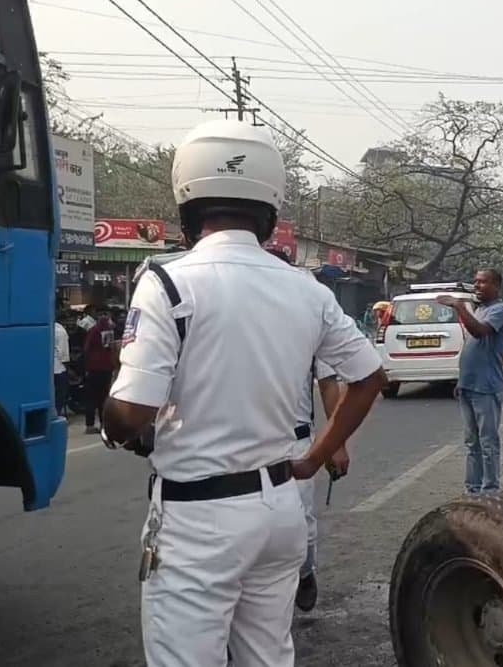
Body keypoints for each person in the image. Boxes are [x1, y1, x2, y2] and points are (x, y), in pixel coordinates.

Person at [99, 119, 385, 667]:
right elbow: (369, 377)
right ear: (269, 212)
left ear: (188, 210)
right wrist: (315, 457)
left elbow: (132, 408)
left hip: (199, 515)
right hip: (279, 510)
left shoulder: (167, 281)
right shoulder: (307, 288)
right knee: (268, 656)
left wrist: (112, 424)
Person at [266, 248, 347, 613]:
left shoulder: (309, 322)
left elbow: (330, 385)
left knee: (301, 523)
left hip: (297, 442)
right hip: (246, 444)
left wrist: (335, 444)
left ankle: (305, 572)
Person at [438, 269, 503, 495]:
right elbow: (471, 346)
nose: (477, 285)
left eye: (483, 282)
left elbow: (480, 333)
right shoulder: (480, 309)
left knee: (488, 442)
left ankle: (490, 489)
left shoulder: (499, 310)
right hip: (468, 386)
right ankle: (473, 489)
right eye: (476, 281)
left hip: (486, 387)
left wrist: (459, 306)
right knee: (472, 442)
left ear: (496, 286)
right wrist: (461, 382)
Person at [82, 307, 118, 434]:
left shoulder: (94, 330)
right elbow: (112, 348)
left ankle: (90, 425)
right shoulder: (110, 331)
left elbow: (86, 349)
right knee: (103, 398)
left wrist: (86, 367)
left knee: (91, 398)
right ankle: (104, 424)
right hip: (106, 368)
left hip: (94, 368)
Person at [54, 316, 70, 417]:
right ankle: (57, 414)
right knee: (60, 393)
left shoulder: (50, 329)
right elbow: (63, 353)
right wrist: (67, 367)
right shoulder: (61, 331)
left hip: (48, 367)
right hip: (59, 367)